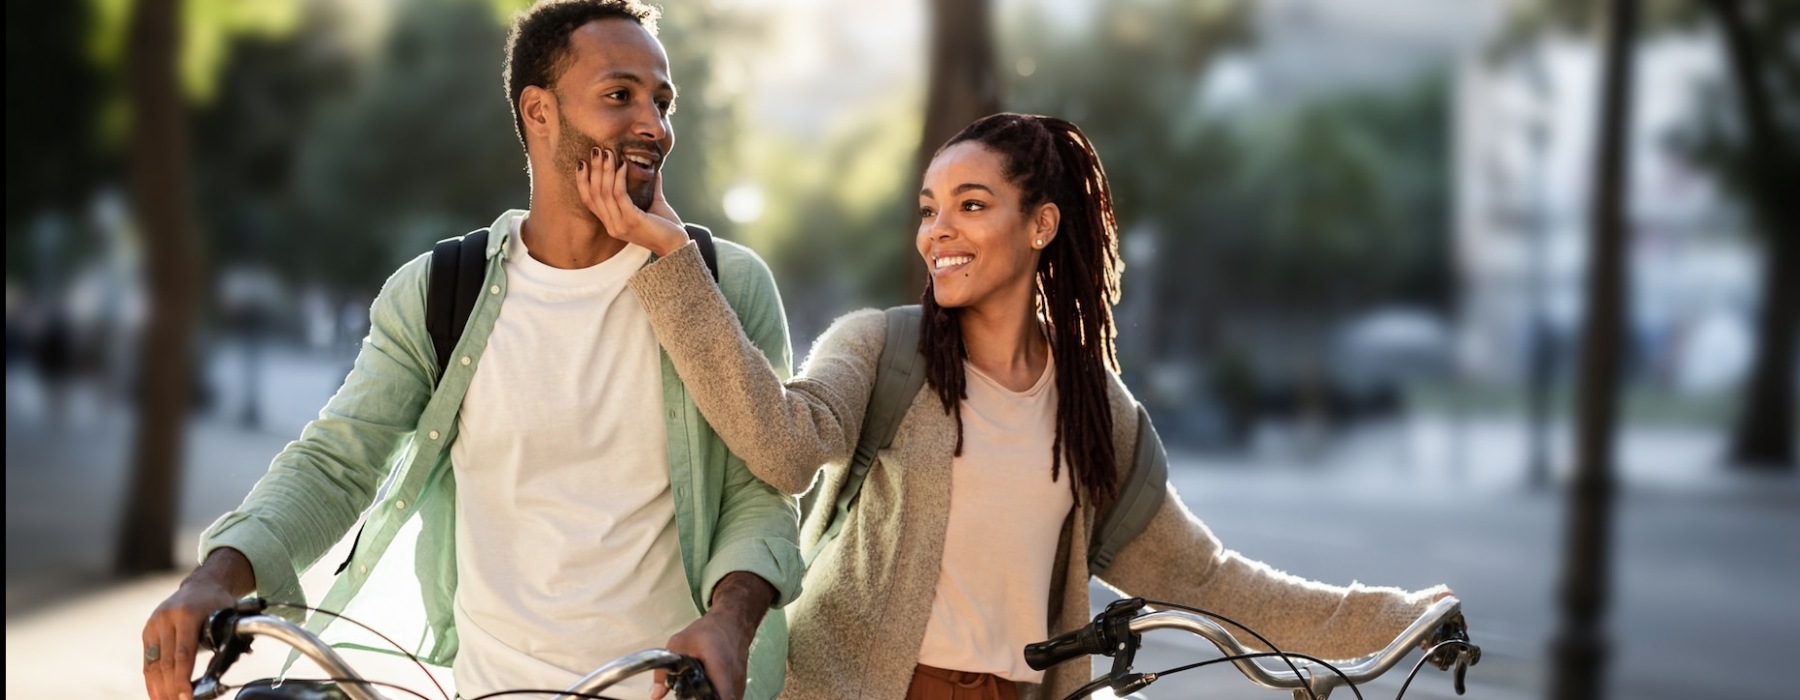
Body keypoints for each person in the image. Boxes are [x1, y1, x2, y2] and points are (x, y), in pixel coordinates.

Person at [582, 112, 1458, 699]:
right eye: (930, 209)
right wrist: (669, 255)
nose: (939, 232)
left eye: (972, 205)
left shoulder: (1095, 412)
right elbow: (780, 446)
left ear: (1040, 226)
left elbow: (1205, 581)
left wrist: (1397, 617)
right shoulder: (881, 348)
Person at [139, 3, 802, 700]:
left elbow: (758, 493)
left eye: (662, 101)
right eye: (620, 95)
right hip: (488, 688)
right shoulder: (439, 292)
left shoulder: (723, 282)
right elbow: (337, 462)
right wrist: (213, 578)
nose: (653, 124)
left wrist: (731, 619)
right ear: (539, 112)